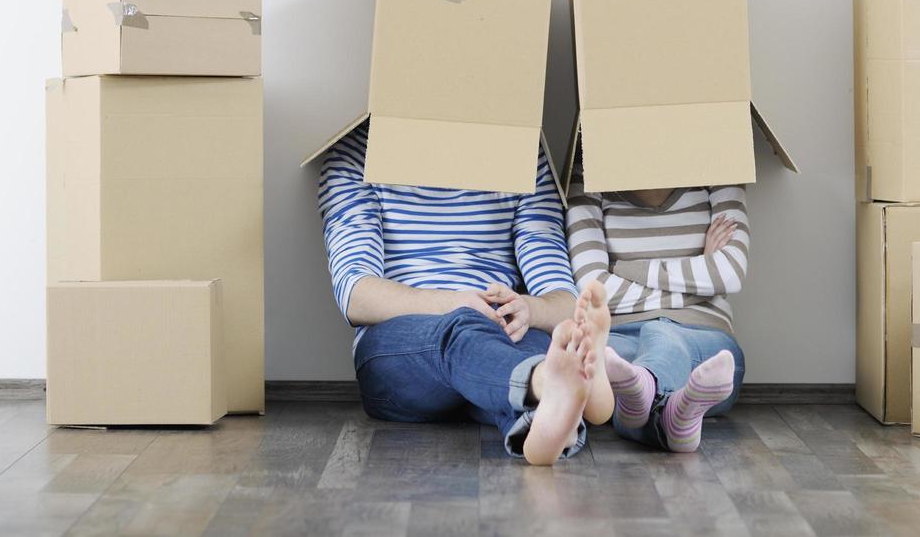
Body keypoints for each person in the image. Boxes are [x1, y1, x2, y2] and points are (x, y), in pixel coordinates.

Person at [317, 124, 609, 465]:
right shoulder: (355, 154)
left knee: (531, 347)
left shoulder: (522, 151)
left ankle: (542, 430)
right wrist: (455, 303)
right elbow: (356, 295)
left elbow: (561, 299)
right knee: (465, 331)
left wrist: (527, 307)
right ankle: (543, 383)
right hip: (401, 348)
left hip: (499, 335)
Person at [566, 165, 748, 452]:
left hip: (703, 337)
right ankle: (677, 420)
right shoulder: (589, 169)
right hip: (620, 336)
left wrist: (626, 269)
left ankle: (646, 383)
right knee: (608, 372)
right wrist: (700, 278)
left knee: (659, 335)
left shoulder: (720, 158)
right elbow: (595, 289)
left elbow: (729, 272)